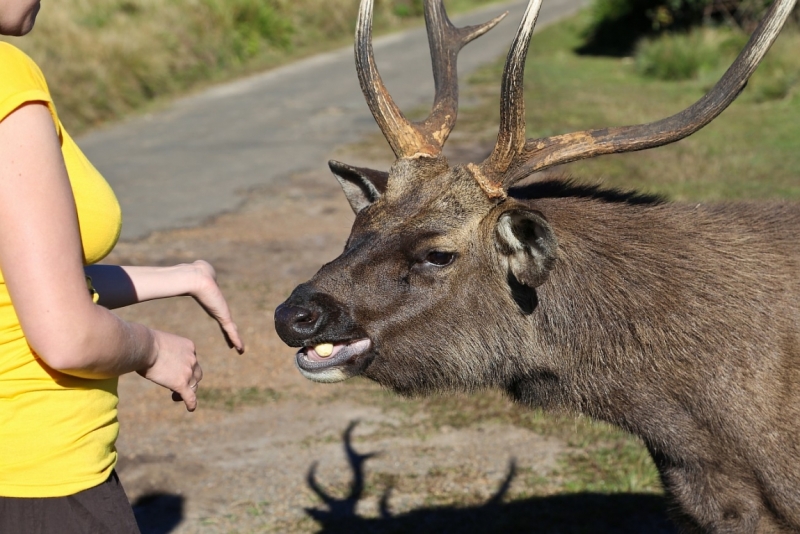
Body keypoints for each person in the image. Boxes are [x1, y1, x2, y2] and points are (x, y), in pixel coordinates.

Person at [0, 0, 245, 531]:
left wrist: (182, 277)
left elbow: (19, 286)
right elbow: (65, 336)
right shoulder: (4, 78)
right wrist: (152, 349)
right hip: (36, 480)